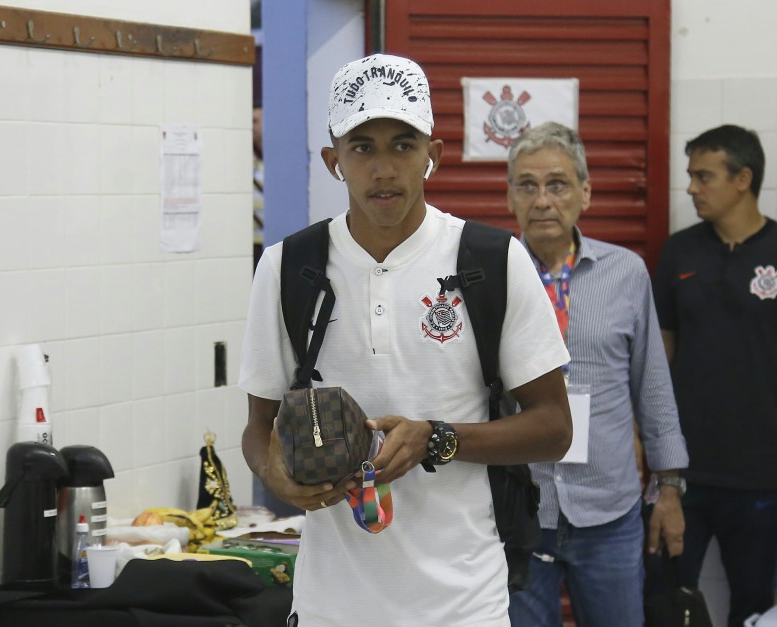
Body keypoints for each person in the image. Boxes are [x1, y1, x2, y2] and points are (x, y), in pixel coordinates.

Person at [239, 53, 572, 626]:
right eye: (362, 147)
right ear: (333, 160)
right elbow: (258, 428)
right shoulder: (287, 267)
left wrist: (436, 439)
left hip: (464, 606)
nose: (384, 168)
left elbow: (554, 428)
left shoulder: (492, 261)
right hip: (330, 606)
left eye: (402, 143)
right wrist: (275, 476)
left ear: (432, 156)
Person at [504, 122, 689, 627]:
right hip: (520, 511)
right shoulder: (489, 274)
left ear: (585, 193)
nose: (543, 200)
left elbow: (652, 388)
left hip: (609, 510)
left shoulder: (625, 273)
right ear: (510, 196)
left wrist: (668, 486)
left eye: (558, 184)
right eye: (527, 185)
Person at [653, 124, 777, 627]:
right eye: (689, 176)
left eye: (704, 177)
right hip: (683, 473)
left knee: (753, 607)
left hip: (762, 474)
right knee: (664, 599)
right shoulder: (679, 252)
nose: (690, 189)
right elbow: (658, 360)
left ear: (743, 178)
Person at [252, 104, 265, 270]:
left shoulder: (278, 157)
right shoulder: (245, 155)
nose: (251, 127)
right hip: (251, 243)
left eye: (255, 121)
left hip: (271, 239)